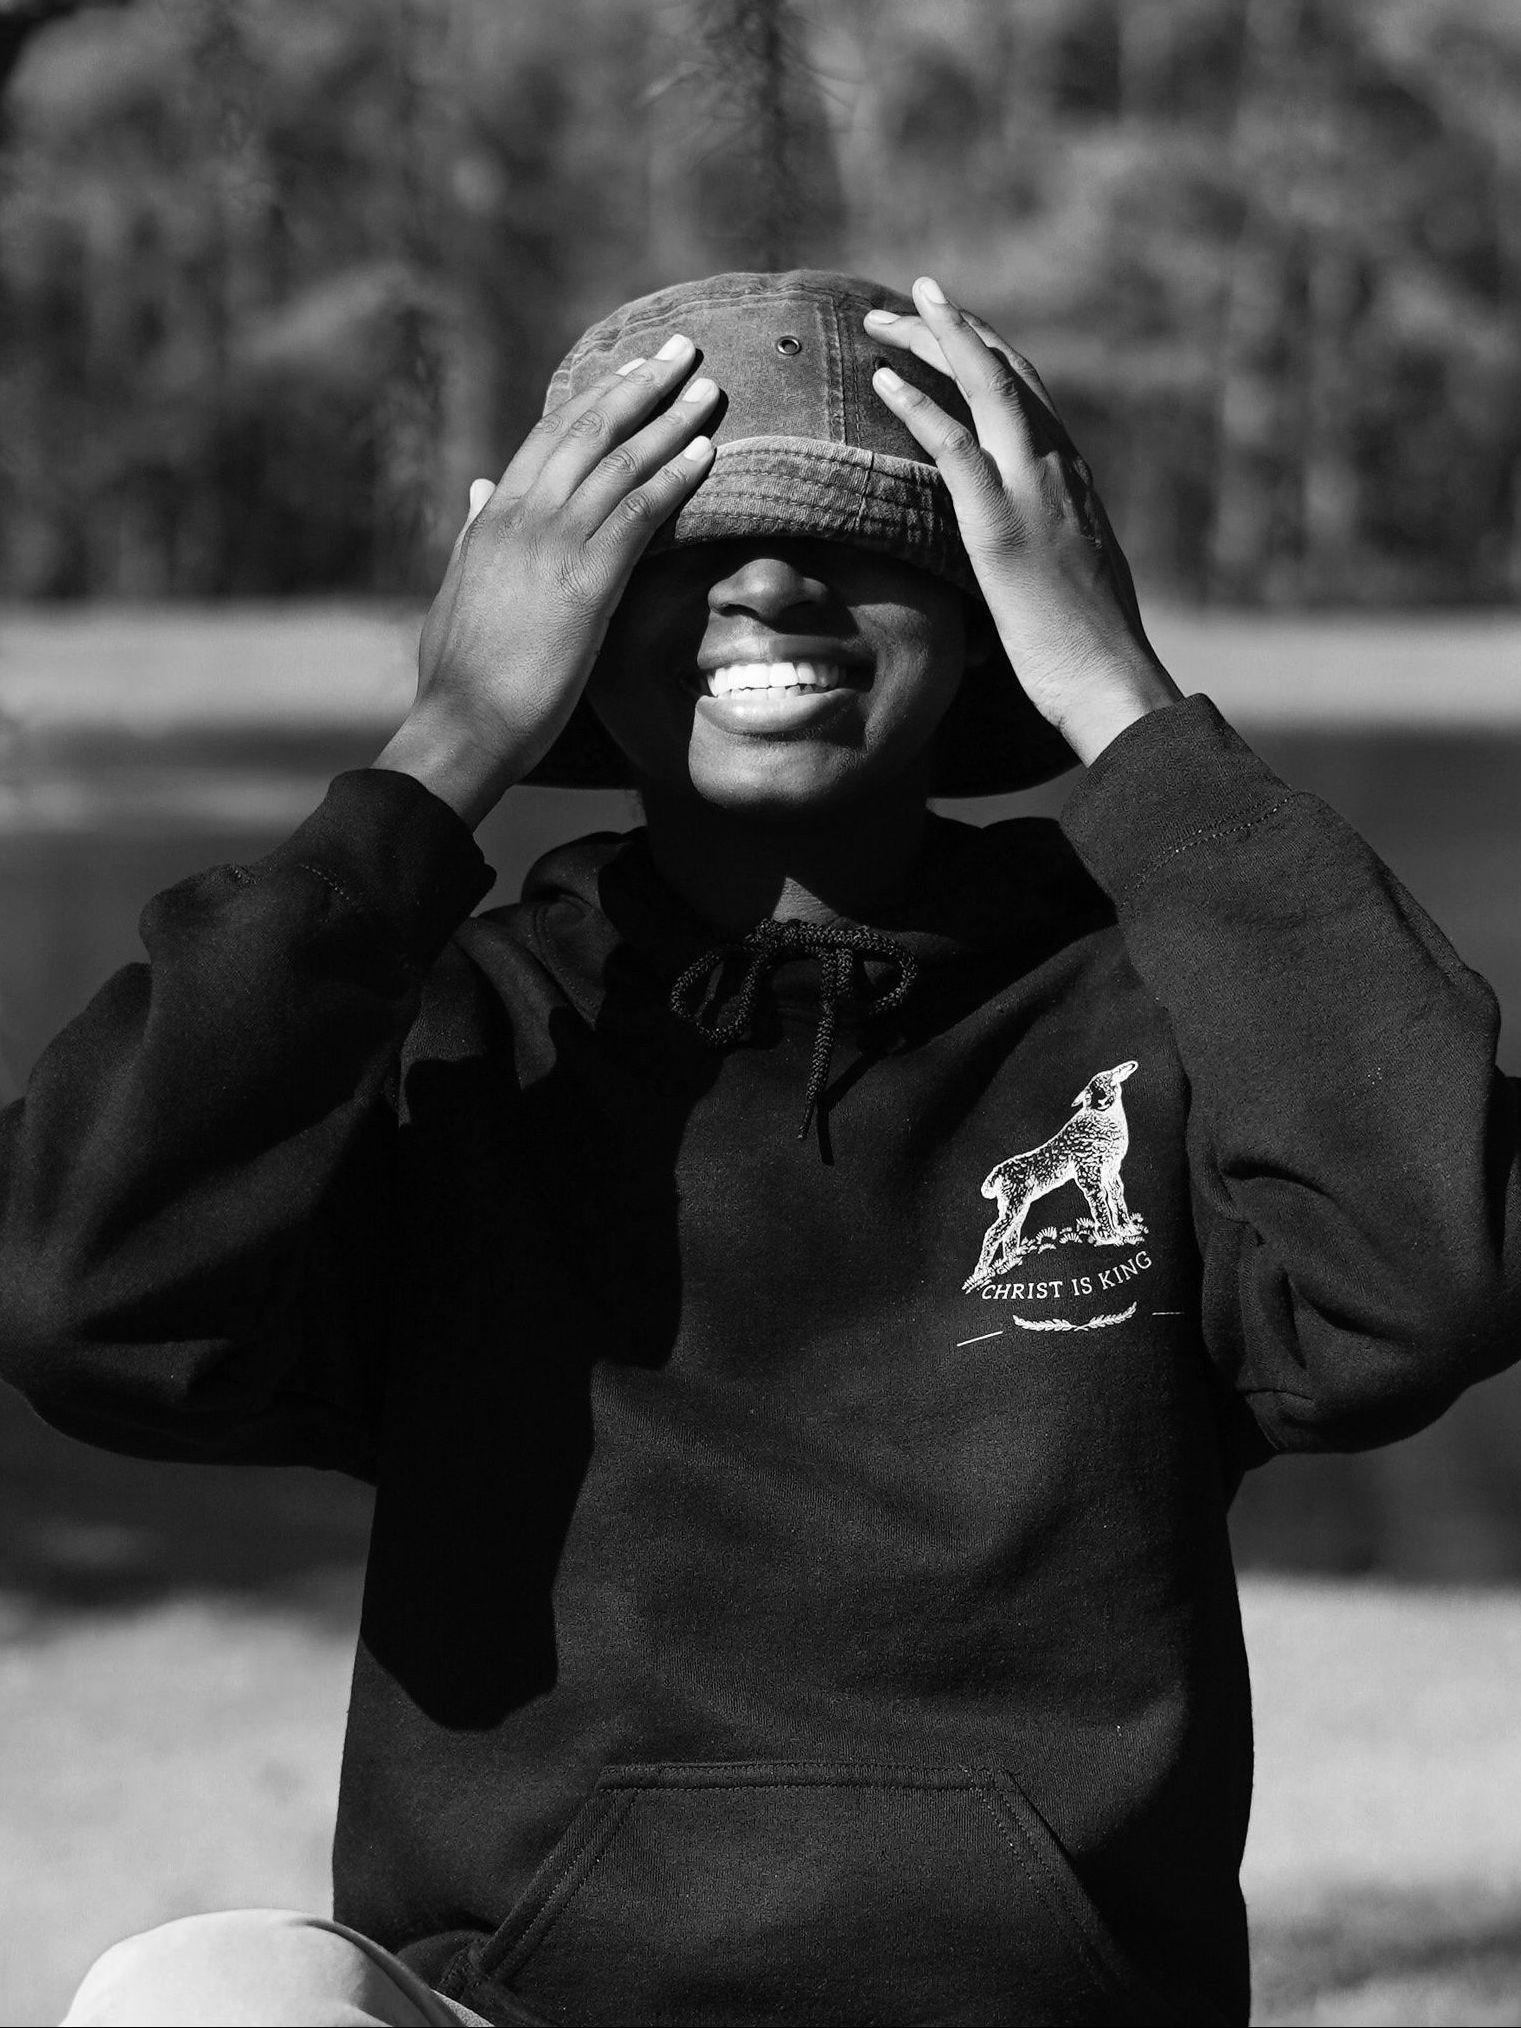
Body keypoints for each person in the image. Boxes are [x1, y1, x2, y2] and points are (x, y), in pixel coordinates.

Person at [4, 268, 1518, 2028]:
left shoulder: (1163, 1022)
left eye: (870, 544)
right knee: (195, 1995)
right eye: (677, 544)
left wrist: (1127, 706)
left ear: (986, 616)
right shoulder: (454, 1043)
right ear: (560, 609)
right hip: (517, 2005)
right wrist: (448, 742)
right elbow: (76, 1292)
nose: (774, 584)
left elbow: (1432, 1273)